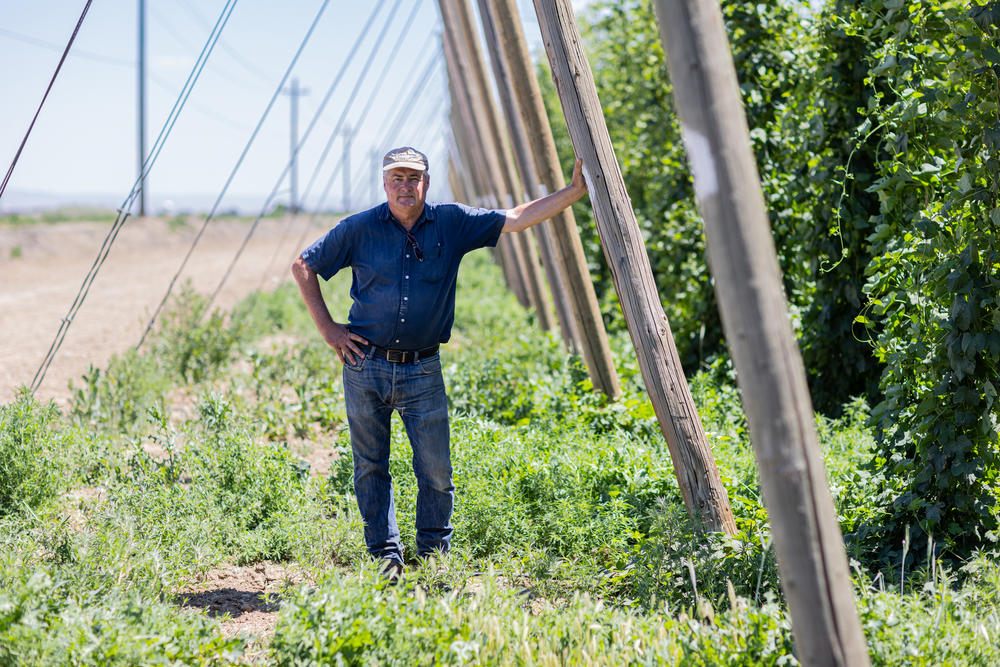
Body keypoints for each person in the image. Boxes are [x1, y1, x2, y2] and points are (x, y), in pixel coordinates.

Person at [291, 146, 587, 579]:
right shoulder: (359, 228)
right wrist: (329, 330)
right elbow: (304, 266)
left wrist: (573, 192)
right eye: (398, 178)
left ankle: (433, 557)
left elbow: (518, 217)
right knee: (370, 466)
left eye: (414, 178)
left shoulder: (452, 221)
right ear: (385, 183)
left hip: (422, 369)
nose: (406, 186)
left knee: (436, 469)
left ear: (427, 182)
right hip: (365, 365)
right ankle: (385, 556)